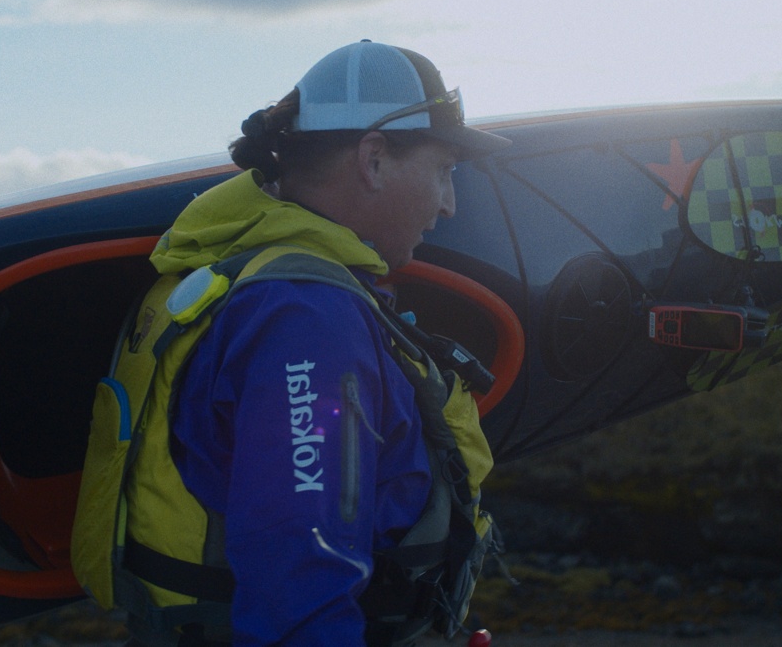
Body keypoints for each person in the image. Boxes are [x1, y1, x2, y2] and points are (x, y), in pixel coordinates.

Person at [140, 40, 511, 645]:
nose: (449, 203)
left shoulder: (274, 283)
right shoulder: (305, 318)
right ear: (374, 159)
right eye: (443, 171)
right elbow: (299, 591)